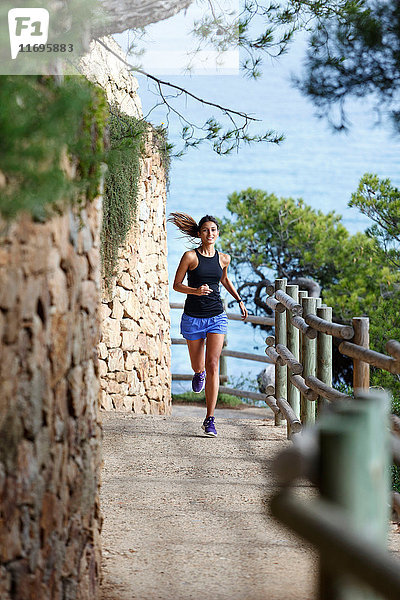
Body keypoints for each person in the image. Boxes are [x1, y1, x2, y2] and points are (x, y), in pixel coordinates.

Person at [168, 212, 248, 437]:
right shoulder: (190, 257)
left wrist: (239, 300)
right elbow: (176, 285)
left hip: (216, 316)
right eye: (205, 230)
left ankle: (210, 419)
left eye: (213, 230)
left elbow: (224, 279)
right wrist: (195, 290)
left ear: (217, 233)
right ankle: (198, 373)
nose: (210, 233)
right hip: (193, 318)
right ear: (199, 233)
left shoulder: (224, 258)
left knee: (213, 364)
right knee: (199, 365)